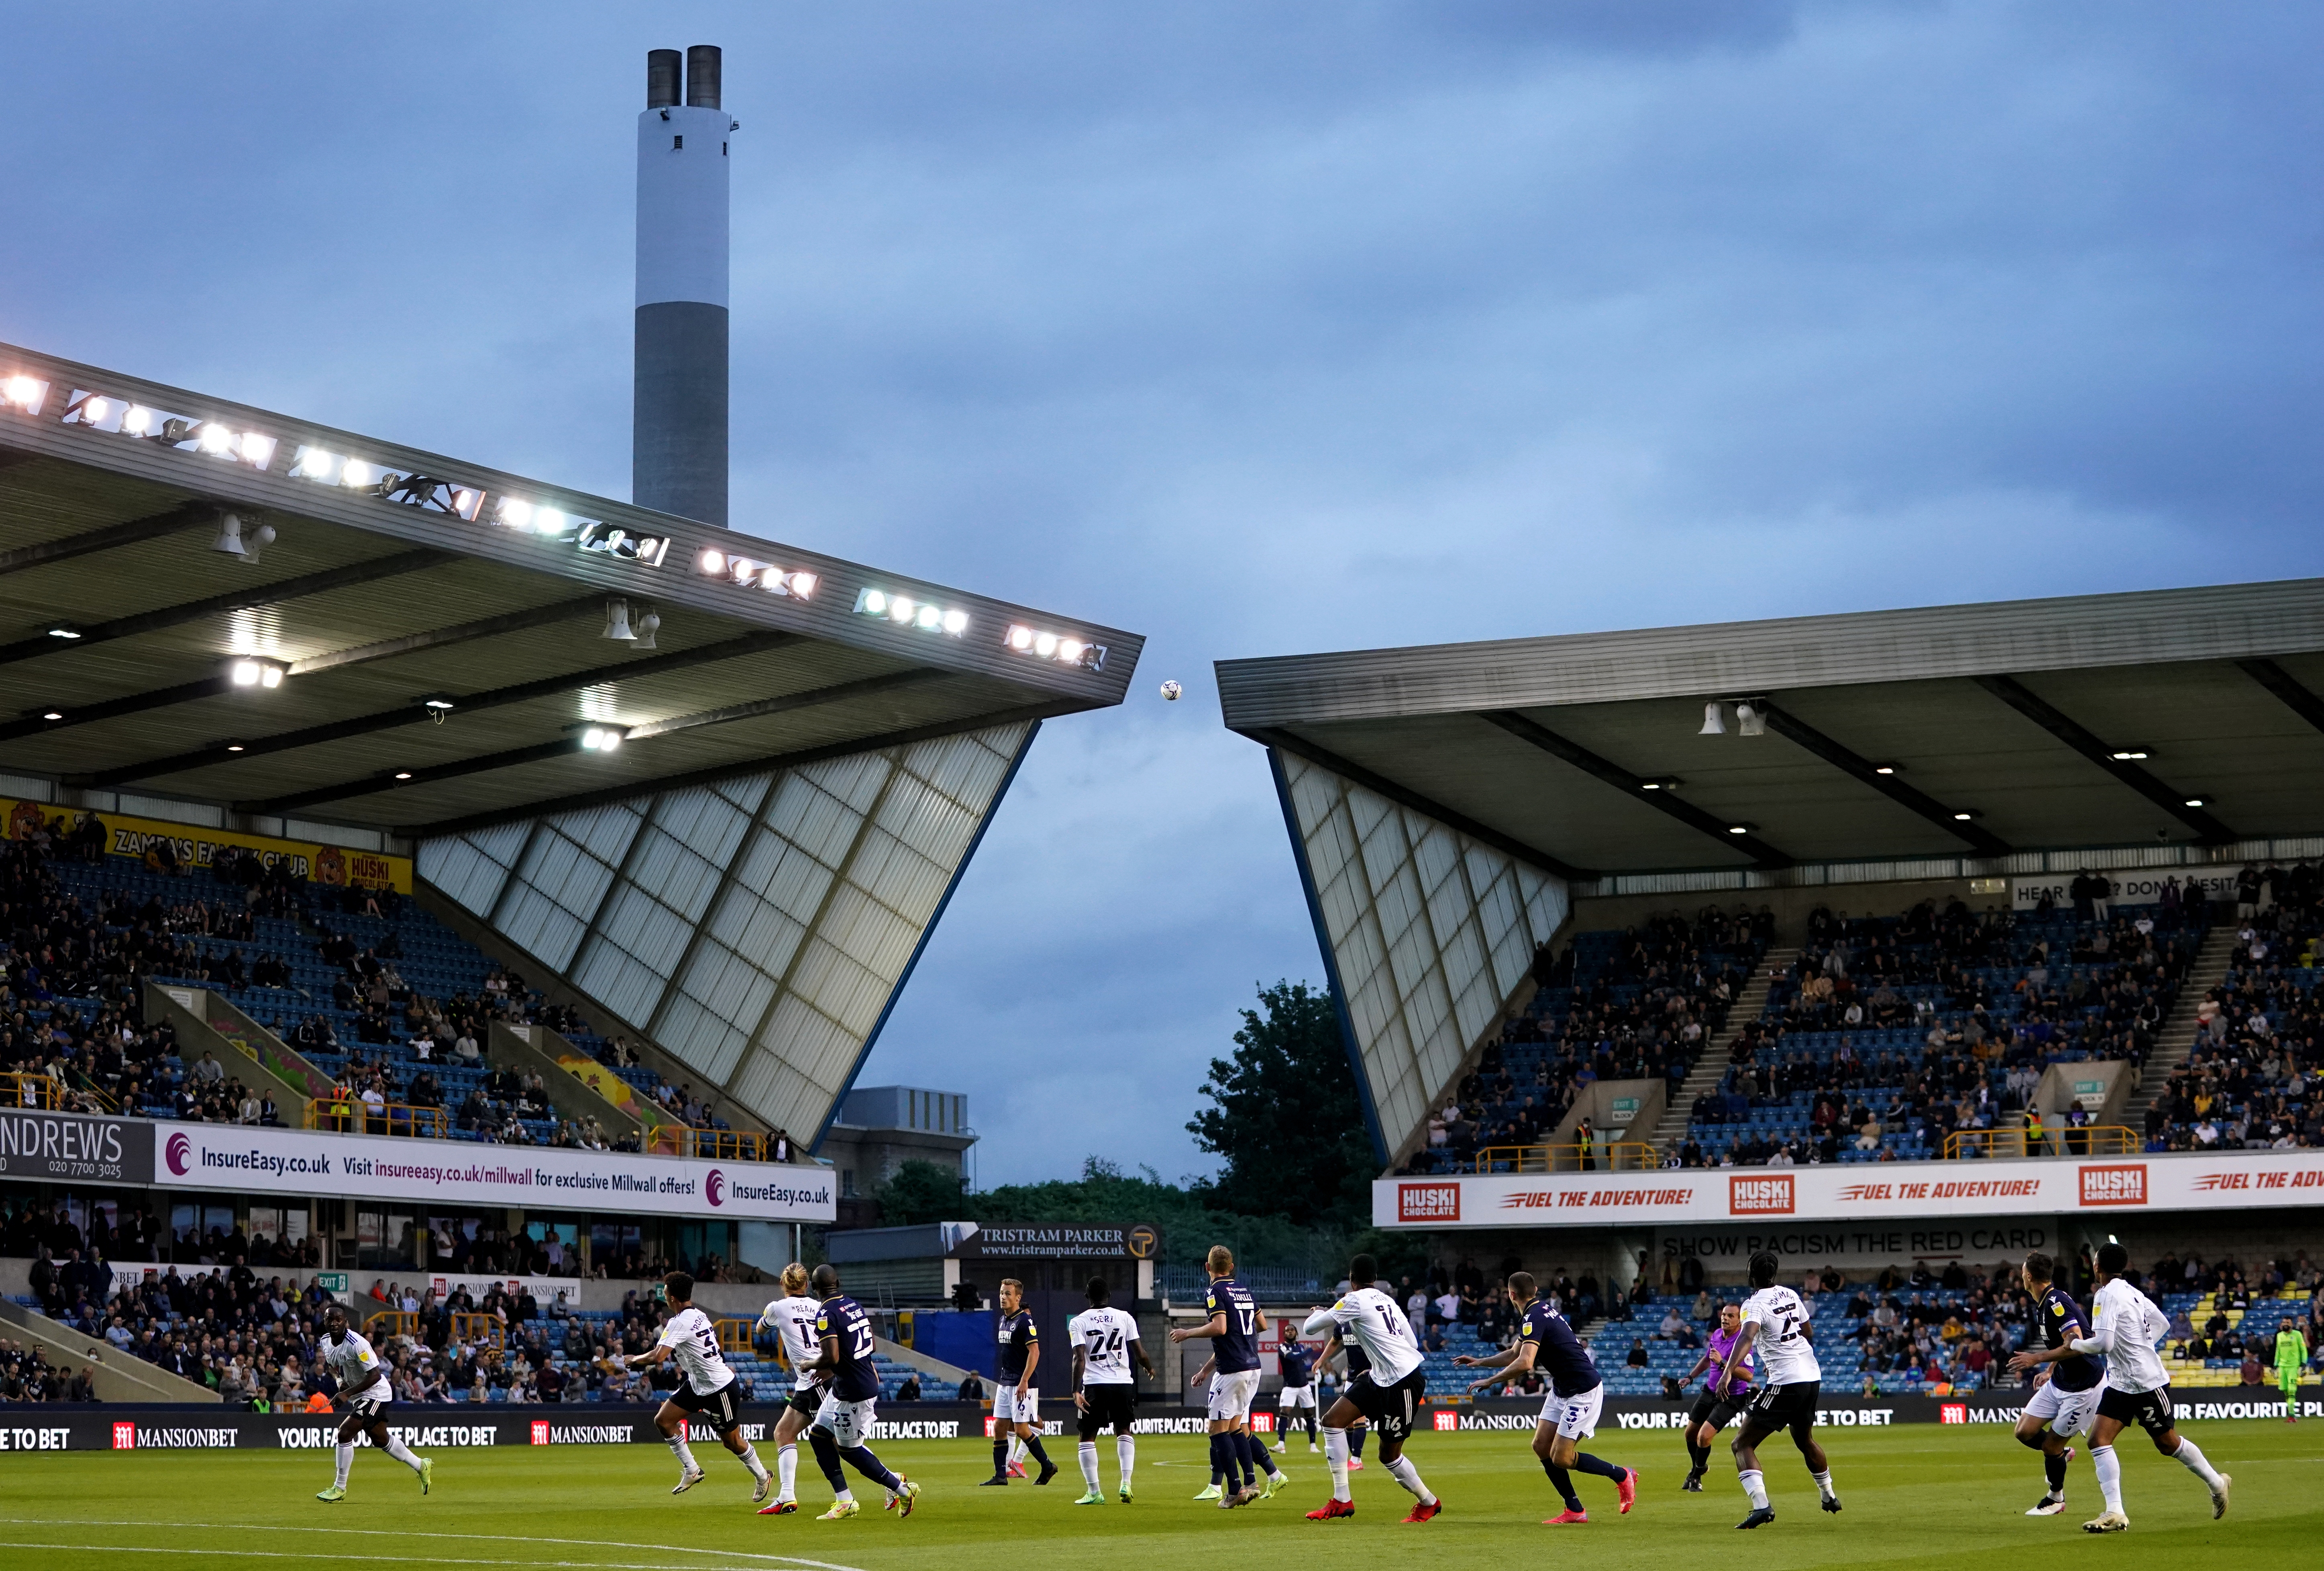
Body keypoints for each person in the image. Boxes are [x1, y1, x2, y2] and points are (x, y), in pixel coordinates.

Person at [2010, 1242, 2228, 1532]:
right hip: (2121, 1382)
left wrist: (2075, 1345)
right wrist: (2137, 1346)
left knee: (2168, 1443)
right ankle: (2115, 1512)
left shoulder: (2106, 1295)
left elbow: (2104, 1344)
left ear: (2097, 1266)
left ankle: (2217, 1483)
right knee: (2098, 1440)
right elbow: (2161, 1324)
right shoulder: (2132, 1291)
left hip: (2145, 1382)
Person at [1456, 1270, 1633, 1524]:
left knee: (1562, 1457)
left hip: (1583, 1391)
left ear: (1511, 1294)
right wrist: (1479, 1363)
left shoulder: (1533, 1318)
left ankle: (1622, 1475)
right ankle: (1575, 1510)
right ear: (1536, 1290)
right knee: (1541, 1446)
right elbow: (1515, 1353)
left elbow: (1525, 1364)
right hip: (1562, 1389)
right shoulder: (1540, 1312)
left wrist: (1491, 1381)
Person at [1299, 1251, 1441, 1523]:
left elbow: (1309, 1327)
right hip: (1379, 1375)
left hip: (1404, 1381)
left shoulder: (1353, 1300)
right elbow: (1411, 1341)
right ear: (1375, 1279)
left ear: (1351, 1280)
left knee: (1389, 1455)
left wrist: (1322, 1312)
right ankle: (1342, 1499)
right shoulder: (1388, 1300)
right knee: (1332, 1422)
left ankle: (1429, 1502)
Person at [622, 1271, 771, 1503]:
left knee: (731, 1442)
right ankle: (692, 1470)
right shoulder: (697, 1315)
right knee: (664, 1420)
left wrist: (634, 1360)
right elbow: (665, 1351)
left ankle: (763, 1476)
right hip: (698, 1383)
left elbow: (659, 1357)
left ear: (672, 1297)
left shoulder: (680, 1321)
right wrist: (640, 1357)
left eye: (666, 1291)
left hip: (719, 1388)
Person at [1718, 1250, 1840, 1528]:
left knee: (1742, 1443)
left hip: (1787, 1380)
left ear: (1751, 1273)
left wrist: (1727, 1372)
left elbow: (1747, 1336)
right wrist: (1776, 1352)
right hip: (1811, 1375)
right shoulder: (1790, 1294)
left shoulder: (1754, 1304)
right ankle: (1829, 1495)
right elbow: (1807, 1331)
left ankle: (1762, 1506)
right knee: (1804, 1439)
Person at [795, 1263, 919, 1519]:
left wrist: (811, 1364)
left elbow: (831, 1355)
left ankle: (902, 1490)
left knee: (849, 1450)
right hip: (848, 1384)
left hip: (854, 1391)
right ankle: (845, 1500)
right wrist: (836, 1368)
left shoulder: (825, 1312)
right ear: (837, 1284)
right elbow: (871, 1343)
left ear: (815, 1289)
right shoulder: (854, 1305)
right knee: (818, 1436)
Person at [1170, 1245, 1280, 1505]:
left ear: (1207, 1267)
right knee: (1235, 1427)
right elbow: (1263, 1325)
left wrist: (1188, 1333)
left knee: (1216, 1429)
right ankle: (1251, 1483)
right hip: (1254, 1366)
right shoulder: (1245, 1290)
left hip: (1232, 1369)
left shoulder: (1214, 1291)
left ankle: (1234, 1491)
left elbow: (1219, 1327)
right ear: (1231, 1267)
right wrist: (1240, 1339)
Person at [311, 1305, 433, 1502]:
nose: (334, 1323)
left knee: (344, 1433)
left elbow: (375, 1376)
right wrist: (340, 1382)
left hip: (376, 1392)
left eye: (338, 1320)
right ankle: (421, 1465)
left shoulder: (357, 1344)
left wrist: (346, 1394)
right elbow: (332, 1367)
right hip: (360, 1395)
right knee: (380, 1439)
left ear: (345, 1322)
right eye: (330, 1320)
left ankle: (340, 1488)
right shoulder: (326, 1341)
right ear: (325, 1322)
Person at [2013, 1252, 2101, 1516]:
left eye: (2022, 1270)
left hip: (2083, 1387)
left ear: (2029, 1276)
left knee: (2051, 1446)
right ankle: (2062, 1454)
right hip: (2062, 1379)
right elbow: (2061, 1343)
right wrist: (2051, 1368)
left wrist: (2037, 1359)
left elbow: (2074, 1343)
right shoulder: (2043, 1302)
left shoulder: (2056, 1302)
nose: (2021, 1274)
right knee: (2024, 1431)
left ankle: (2056, 1498)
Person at [1067, 1274, 1154, 1505]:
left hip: (1096, 1385)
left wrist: (1076, 1390)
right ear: (1109, 1296)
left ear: (1087, 1296)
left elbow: (1079, 1358)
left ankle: (1094, 1492)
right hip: (1123, 1383)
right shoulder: (1125, 1317)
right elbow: (1140, 1352)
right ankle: (1126, 1482)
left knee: (1087, 1437)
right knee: (1124, 1430)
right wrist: (1149, 1367)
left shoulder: (1078, 1322)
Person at [752, 1262, 828, 1516]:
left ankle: (894, 1483)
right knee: (783, 1432)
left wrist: (769, 1322)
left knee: (843, 1444)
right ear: (807, 1285)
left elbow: (760, 1329)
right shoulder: (820, 1307)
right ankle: (787, 1496)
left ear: (782, 1284)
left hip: (818, 1382)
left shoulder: (777, 1307)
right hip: (812, 1381)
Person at [981, 1278, 1057, 1486]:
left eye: (1008, 1294)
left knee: (1022, 1429)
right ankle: (1000, 1475)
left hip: (1022, 1384)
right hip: (1005, 1381)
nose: (1003, 1298)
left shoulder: (1025, 1322)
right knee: (999, 1427)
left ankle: (1048, 1466)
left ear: (1018, 1298)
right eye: (1002, 1293)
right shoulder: (1003, 1320)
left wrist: (1024, 1380)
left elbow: (1035, 1351)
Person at [1680, 1303, 1754, 1492]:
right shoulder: (1716, 1336)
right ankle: (1699, 1467)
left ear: (1740, 1320)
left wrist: (1722, 1363)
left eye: (1731, 1316)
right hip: (1710, 1391)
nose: (1725, 1319)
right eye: (1724, 1315)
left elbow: (1748, 1376)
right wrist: (1691, 1377)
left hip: (1731, 1396)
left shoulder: (1743, 1341)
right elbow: (1707, 1358)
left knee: (1704, 1437)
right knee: (1690, 1434)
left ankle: (1696, 1476)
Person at [1274, 1317, 1321, 1455]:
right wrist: (1310, 1350)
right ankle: (1281, 1444)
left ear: (1296, 1333)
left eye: (1292, 1330)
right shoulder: (1282, 1347)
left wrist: (1312, 1367)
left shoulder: (1300, 1347)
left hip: (1304, 1385)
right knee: (1284, 1413)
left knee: (1309, 1414)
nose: (1290, 1332)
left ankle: (1313, 1446)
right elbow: (1293, 1359)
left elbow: (1300, 1366)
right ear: (1284, 1335)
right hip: (1290, 1386)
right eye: (1287, 1331)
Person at [2275, 1318, 2309, 1424]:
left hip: (2293, 1366)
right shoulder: (2280, 1336)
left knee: (2291, 1390)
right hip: (2283, 1366)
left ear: (2292, 1324)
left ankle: (2292, 1416)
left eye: (2288, 1323)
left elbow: (2303, 1349)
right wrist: (2276, 1366)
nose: (2285, 1324)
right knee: (2285, 1390)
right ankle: (2291, 1413)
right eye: (2284, 1323)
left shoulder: (2298, 1335)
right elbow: (2278, 1351)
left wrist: (2303, 1364)